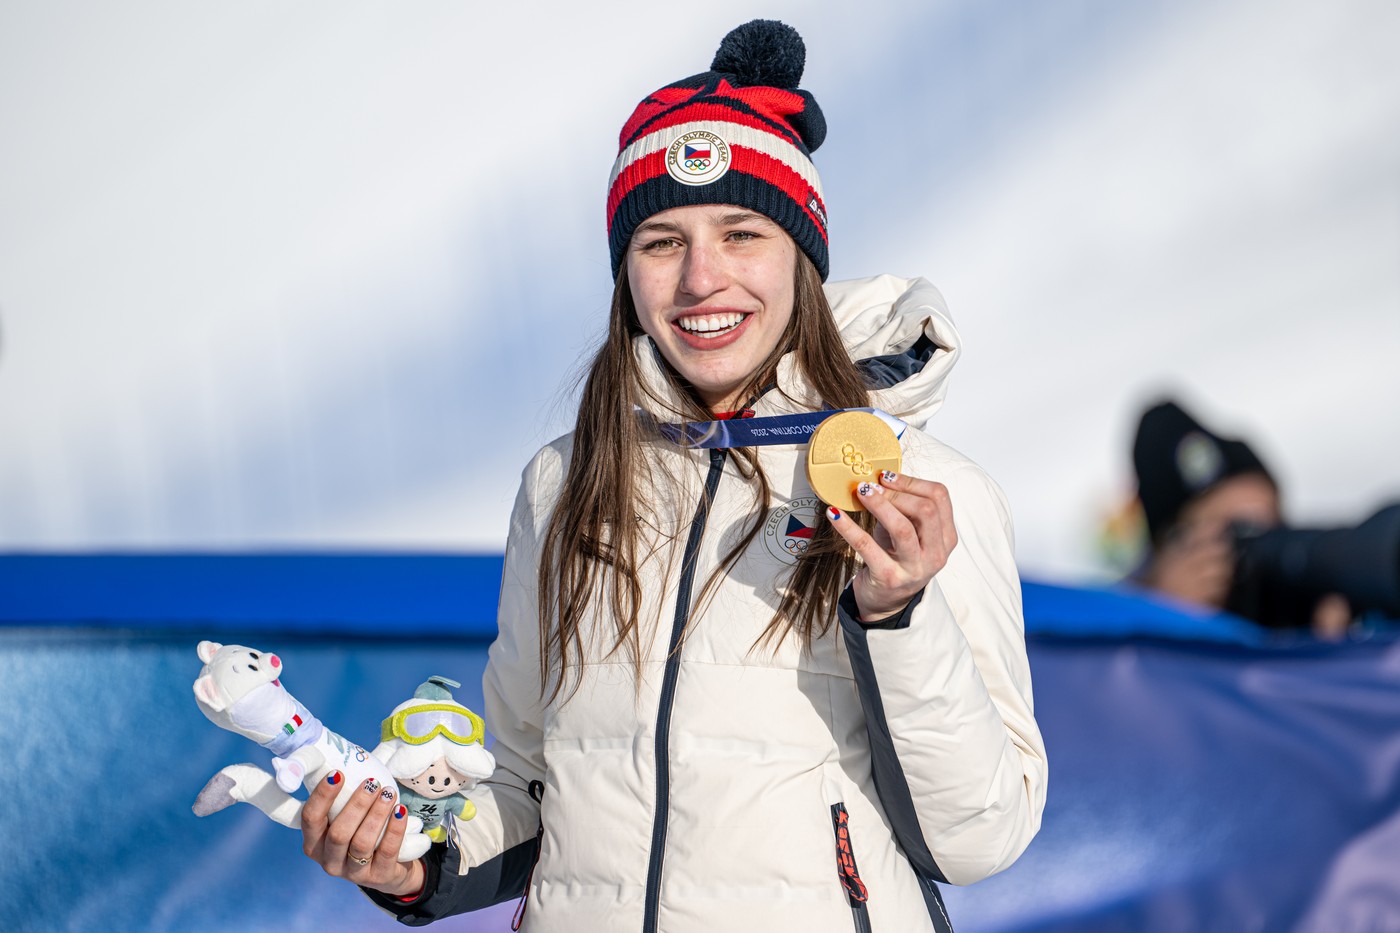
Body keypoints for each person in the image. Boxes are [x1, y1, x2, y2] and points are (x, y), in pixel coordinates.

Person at [296, 20, 1047, 931]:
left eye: (741, 232)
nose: (702, 278)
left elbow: (977, 837)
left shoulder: (926, 487)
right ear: (626, 273)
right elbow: (534, 780)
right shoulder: (565, 483)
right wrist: (415, 856)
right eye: (660, 241)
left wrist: (899, 617)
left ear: (802, 260)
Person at [1130, 397, 1351, 637]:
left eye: (1274, 527)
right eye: (1241, 532)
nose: (1262, 545)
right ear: (1171, 555)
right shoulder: (1125, 650)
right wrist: (1167, 624)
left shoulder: (1305, 608)